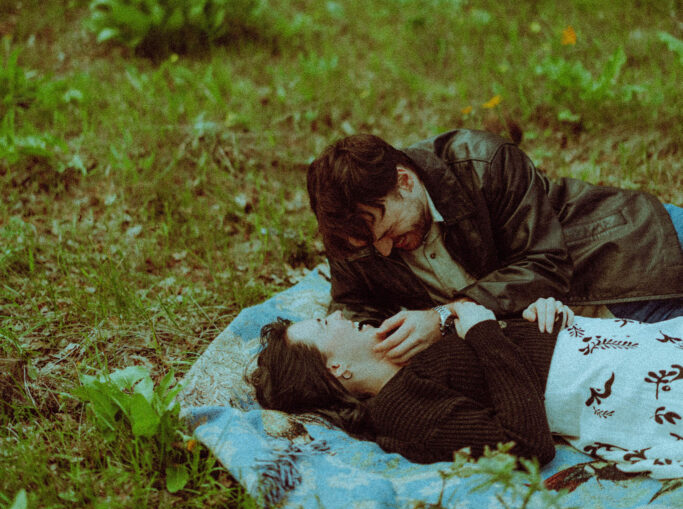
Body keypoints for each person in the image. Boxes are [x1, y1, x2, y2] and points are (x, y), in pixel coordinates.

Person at [306, 129, 683, 364]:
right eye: (372, 246)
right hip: (567, 330)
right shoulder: (356, 232)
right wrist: (374, 348)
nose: (385, 251)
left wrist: (444, 317)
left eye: (389, 231)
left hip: (623, 254)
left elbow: (544, 263)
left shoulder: (484, 161)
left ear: (405, 181)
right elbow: (353, 305)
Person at [250, 298, 683, 477]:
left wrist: (535, 313)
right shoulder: (406, 413)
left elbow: (498, 354)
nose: (341, 317)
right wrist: (483, 331)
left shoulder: (405, 350)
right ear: (338, 370)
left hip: (610, 343)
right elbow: (527, 444)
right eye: (327, 325)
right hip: (615, 380)